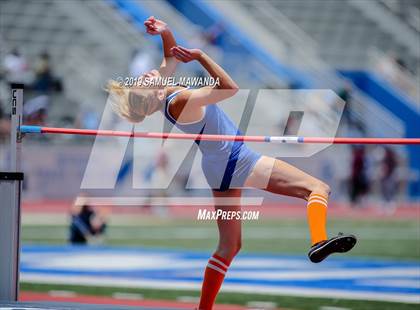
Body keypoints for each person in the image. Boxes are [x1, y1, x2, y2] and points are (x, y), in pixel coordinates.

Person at [107, 16, 357, 309]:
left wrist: (166, 32)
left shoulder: (166, 95)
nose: (147, 75)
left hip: (216, 168)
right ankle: (318, 241)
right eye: (144, 82)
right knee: (317, 189)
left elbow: (168, 55)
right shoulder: (179, 99)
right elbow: (230, 88)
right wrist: (200, 55)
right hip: (236, 160)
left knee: (229, 247)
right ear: (153, 95)